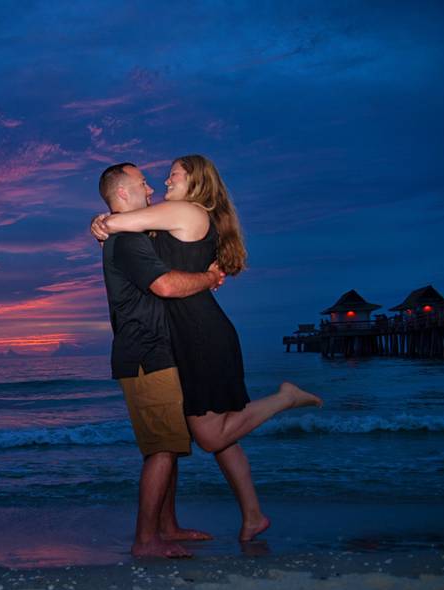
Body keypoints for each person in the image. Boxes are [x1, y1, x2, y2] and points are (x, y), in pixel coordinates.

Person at [92, 155, 322, 542]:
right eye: (157, 178)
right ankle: (252, 515)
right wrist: (106, 223)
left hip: (200, 334)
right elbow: (128, 226)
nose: (163, 182)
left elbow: (120, 222)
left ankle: (284, 398)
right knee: (220, 432)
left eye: (173, 175)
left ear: (196, 181)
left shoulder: (187, 211)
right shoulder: (170, 218)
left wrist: (103, 223)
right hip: (184, 336)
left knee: (211, 435)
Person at [98, 162, 226, 558]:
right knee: (161, 449)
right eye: (142, 183)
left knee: (171, 441)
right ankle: (145, 540)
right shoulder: (128, 241)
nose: (151, 189)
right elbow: (166, 285)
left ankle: (167, 527)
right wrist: (209, 278)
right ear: (123, 193)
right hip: (145, 354)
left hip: (155, 352)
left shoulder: (130, 234)